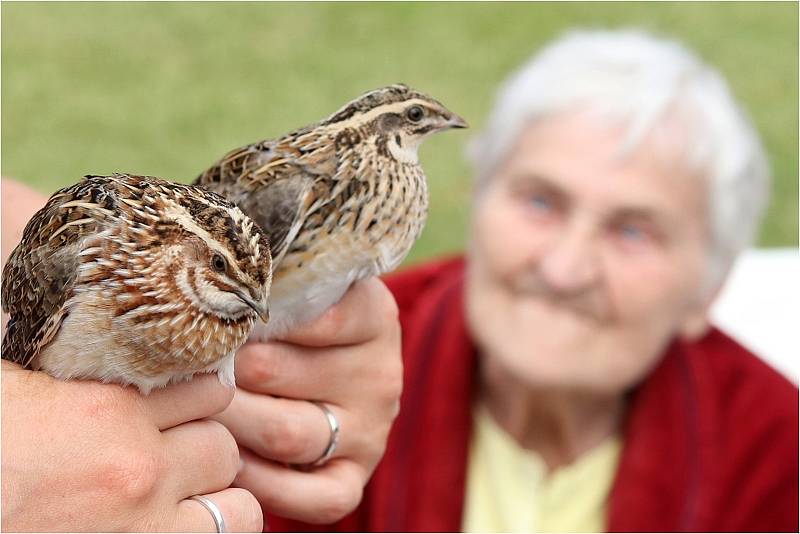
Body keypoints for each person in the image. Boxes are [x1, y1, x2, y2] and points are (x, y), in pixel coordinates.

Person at [264, 29, 799, 532]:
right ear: (477, 201)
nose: (564, 269)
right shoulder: (321, 346)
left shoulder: (774, 446)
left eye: (632, 231)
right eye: (540, 201)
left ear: (708, 289)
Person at [1, 181, 403, 530]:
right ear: (183, 251)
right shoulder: (86, 252)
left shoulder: (235, 309)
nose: (252, 305)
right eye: (218, 266)